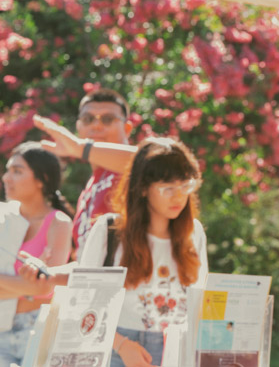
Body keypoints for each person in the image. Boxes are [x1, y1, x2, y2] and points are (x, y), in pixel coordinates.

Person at [23, 137, 208, 367]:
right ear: (142, 188)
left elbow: (199, 302)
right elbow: (82, 303)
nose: (178, 196)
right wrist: (122, 345)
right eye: (167, 188)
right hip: (116, 349)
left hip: (176, 350)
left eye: (185, 186)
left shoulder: (194, 233)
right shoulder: (110, 231)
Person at [32, 88, 139, 251]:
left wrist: (80, 148)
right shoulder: (90, 187)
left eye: (108, 119)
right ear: (78, 126)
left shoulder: (136, 170)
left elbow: (155, 160)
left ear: (127, 129)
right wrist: (50, 275)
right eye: (88, 119)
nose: (96, 125)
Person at [0, 142, 73, 367]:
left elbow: (46, 288)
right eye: (8, 170)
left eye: (17, 171)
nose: (6, 178)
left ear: (41, 180)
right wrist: (26, 285)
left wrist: (31, 287)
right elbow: (35, 287)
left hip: (36, 328)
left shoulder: (58, 224)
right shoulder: (2, 216)